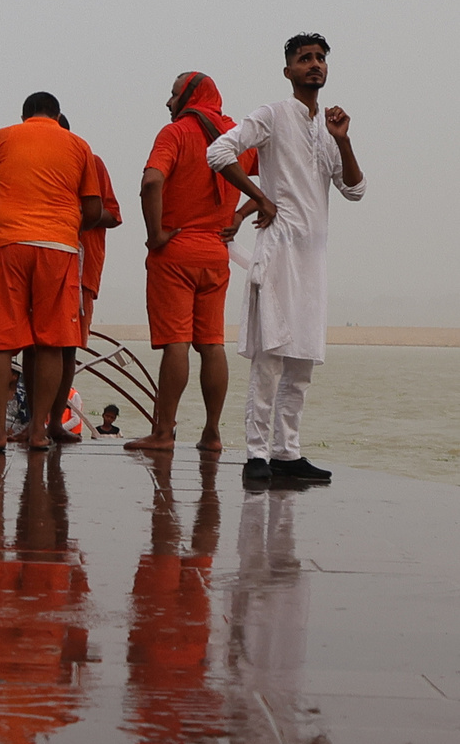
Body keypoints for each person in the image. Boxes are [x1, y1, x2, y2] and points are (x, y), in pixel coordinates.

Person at [208, 35, 365, 483]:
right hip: (278, 253)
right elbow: (219, 151)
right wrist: (260, 197)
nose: (314, 65)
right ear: (288, 71)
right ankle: (257, 453)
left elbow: (354, 189)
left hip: (313, 260)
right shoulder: (272, 115)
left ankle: (287, 452)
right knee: (271, 358)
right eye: (304, 59)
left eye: (320, 59)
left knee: (301, 362)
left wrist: (344, 140)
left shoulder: (329, 128)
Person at [0, 92, 101, 453]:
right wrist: (64, 226)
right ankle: (39, 432)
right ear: (56, 116)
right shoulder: (79, 145)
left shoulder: (1, 137)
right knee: (52, 341)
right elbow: (94, 206)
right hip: (59, 248)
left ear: (25, 116)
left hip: (8, 244)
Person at [125, 74, 256, 455]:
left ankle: (164, 432)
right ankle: (212, 433)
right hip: (217, 252)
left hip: (176, 251)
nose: (168, 102)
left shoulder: (177, 134)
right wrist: (244, 212)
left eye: (173, 93)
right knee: (212, 344)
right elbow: (279, 180)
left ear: (190, 96)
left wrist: (155, 235)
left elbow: (152, 182)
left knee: (176, 344)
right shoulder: (237, 136)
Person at [42, 114, 121, 445]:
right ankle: (37, 422)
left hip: (78, 269)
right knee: (38, 346)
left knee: (67, 348)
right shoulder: (32, 165)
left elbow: (112, 214)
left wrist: (74, 214)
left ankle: (54, 422)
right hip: (42, 266)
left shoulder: (91, 163)